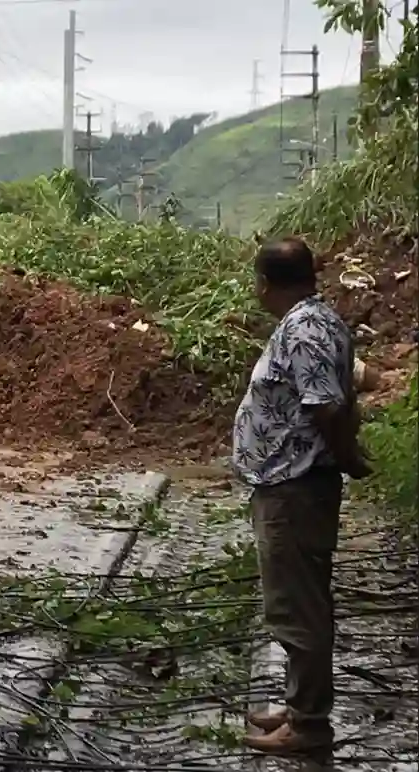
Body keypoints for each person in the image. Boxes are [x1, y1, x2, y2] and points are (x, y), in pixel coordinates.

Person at [232, 237, 372, 755]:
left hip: (295, 486)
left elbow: (325, 407)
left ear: (266, 284)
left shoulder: (305, 328)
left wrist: (349, 456)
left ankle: (309, 725)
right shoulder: (318, 320)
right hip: (288, 483)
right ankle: (298, 707)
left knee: (299, 609)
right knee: (296, 602)